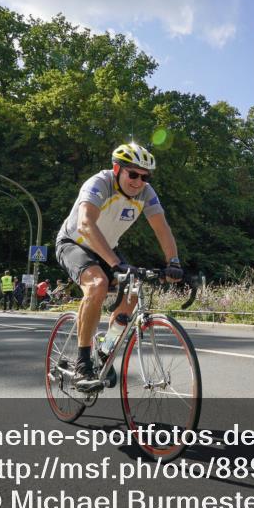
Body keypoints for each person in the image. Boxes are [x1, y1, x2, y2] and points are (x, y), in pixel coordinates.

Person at [55, 142, 182, 391]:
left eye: (144, 176)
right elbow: (85, 224)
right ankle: (83, 363)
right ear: (117, 169)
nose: (138, 181)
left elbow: (161, 228)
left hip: (106, 247)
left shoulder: (146, 193)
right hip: (74, 241)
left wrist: (173, 262)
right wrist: (115, 263)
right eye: (132, 174)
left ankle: (105, 350)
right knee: (98, 284)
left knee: (133, 290)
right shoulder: (99, 183)